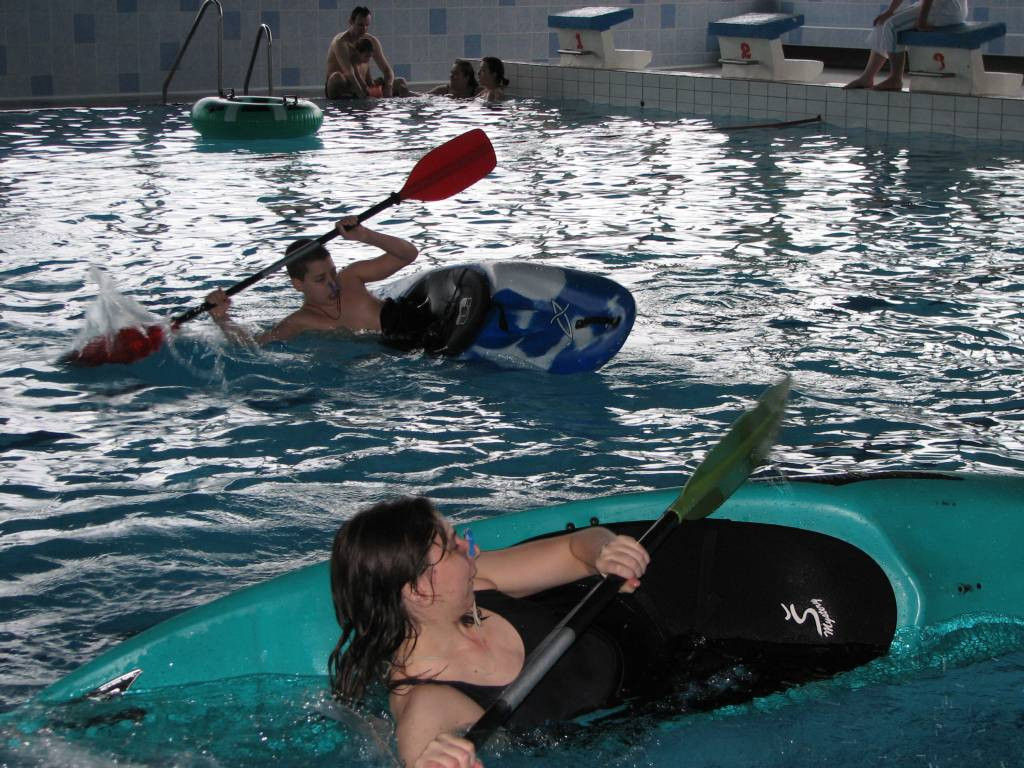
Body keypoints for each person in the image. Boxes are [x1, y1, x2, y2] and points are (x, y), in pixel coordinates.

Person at [328, 497, 651, 768]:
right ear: (419, 590)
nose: (473, 550)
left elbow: (574, 549)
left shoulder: (472, 583)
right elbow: (423, 749)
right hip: (638, 726)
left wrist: (604, 551)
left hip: (641, 642)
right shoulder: (426, 704)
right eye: (453, 547)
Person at [205, 217, 424, 347]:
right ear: (298, 284)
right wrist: (222, 318)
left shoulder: (351, 277)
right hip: (397, 351)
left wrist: (366, 236)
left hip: (417, 324)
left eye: (332, 273)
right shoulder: (301, 321)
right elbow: (255, 344)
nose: (333, 283)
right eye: (320, 279)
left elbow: (408, 254)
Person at [843, 0, 968, 90]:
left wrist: (922, 20)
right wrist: (890, 11)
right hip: (937, 5)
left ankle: (895, 79)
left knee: (891, 27)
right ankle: (867, 77)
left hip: (947, 9)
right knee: (882, 24)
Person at [326, 6, 409, 99]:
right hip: (345, 86)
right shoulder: (341, 42)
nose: (364, 29)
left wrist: (388, 87)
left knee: (400, 82)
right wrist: (363, 97)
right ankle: (359, 95)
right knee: (337, 78)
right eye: (360, 25)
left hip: (363, 86)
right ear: (351, 22)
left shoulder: (371, 41)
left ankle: (417, 95)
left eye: (367, 25)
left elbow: (387, 70)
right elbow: (350, 74)